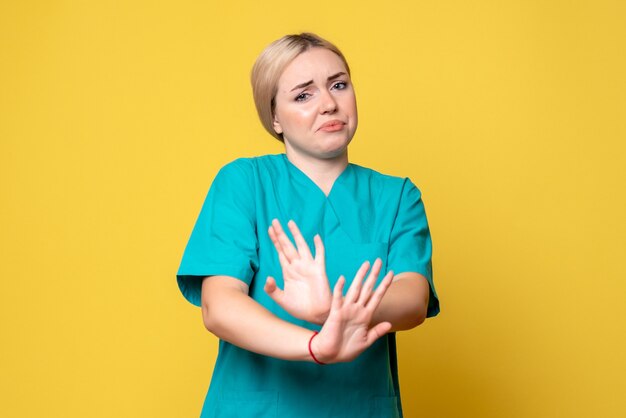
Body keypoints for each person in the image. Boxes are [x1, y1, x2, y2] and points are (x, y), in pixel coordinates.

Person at [177, 32, 440, 418]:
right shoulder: (244, 183)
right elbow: (220, 306)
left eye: (339, 85)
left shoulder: (397, 195)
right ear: (275, 118)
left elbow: (413, 299)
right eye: (304, 95)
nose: (329, 104)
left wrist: (330, 309)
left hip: (359, 407)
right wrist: (317, 344)